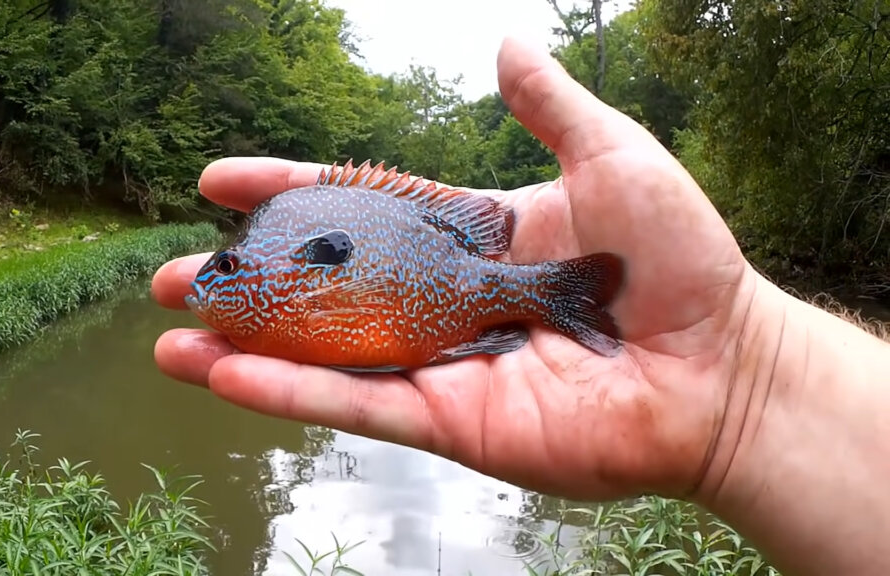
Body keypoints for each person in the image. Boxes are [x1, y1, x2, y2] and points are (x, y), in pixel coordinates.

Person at [149, 37, 890, 576]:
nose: (210, 286)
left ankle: (549, 299)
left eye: (225, 270)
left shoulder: (284, 247)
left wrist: (745, 359)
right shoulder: (279, 240)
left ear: (262, 269)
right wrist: (748, 387)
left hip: (470, 301)